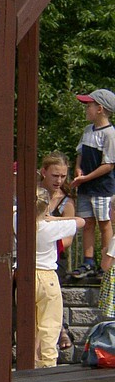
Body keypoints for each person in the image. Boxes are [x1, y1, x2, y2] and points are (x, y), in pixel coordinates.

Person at [32, 188, 84, 367]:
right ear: (46, 206)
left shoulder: (18, 222)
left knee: (29, 321)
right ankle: (46, 362)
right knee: (49, 323)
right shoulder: (50, 227)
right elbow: (81, 222)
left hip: (25, 275)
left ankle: (30, 359)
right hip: (47, 276)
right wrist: (55, 218)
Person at [69, 89, 115, 278]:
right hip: (86, 187)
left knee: (104, 223)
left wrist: (86, 178)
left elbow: (109, 164)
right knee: (87, 223)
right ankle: (88, 262)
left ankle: (106, 262)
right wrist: (78, 169)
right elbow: (80, 153)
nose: (86, 109)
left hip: (102, 188)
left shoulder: (110, 134)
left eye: (89, 105)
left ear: (100, 109)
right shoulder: (88, 130)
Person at [39, 151, 77, 351]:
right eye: (55, 176)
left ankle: (61, 329)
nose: (59, 180)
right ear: (44, 172)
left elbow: (68, 238)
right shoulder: (34, 194)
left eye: (63, 176)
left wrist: (46, 238)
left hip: (54, 255)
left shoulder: (66, 202)